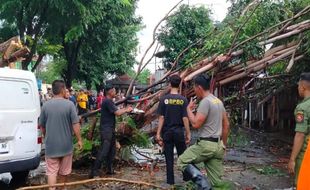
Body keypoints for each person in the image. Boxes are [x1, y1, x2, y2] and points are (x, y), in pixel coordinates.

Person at [177, 74, 230, 190]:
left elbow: (196, 124)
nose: (194, 91)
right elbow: (226, 125)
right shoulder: (218, 101)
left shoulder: (205, 102)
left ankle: (204, 186)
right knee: (217, 183)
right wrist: (223, 145)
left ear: (199, 88)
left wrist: (188, 109)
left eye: (194, 88)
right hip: (217, 146)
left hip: (205, 145)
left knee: (182, 161)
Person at [39, 80, 83, 190]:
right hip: (66, 145)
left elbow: (42, 126)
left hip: (51, 145)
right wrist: (79, 140)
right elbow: (75, 124)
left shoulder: (45, 105)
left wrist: (46, 136)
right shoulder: (70, 105)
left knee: (52, 172)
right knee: (64, 172)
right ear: (63, 90)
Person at [88, 84, 133, 178]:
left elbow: (116, 110)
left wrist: (124, 109)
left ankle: (109, 170)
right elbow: (117, 113)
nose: (115, 92)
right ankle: (94, 172)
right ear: (109, 92)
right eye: (114, 90)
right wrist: (127, 109)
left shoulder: (109, 102)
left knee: (112, 151)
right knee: (104, 151)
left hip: (110, 129)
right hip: (106, 130)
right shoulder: (107, 101)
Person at [156, 74, 191, 185]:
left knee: (169, 158)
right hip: (179, 132)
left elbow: (161, 117)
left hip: (167, 132)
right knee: (183, 156)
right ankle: (186, 178)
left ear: (170, 84)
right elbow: (185, 118)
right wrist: (188, 133)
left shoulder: (163, 99)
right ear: (179, 84)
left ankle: (170, 181)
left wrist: (158, 133)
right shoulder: (183, 100)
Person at [288, 73, 310, 186]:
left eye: (298, 86)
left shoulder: (303, 108)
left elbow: (300, 135)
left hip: (306, 155)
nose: (297, 88)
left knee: (303, 184)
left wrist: (292, 159)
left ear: (303, 87)